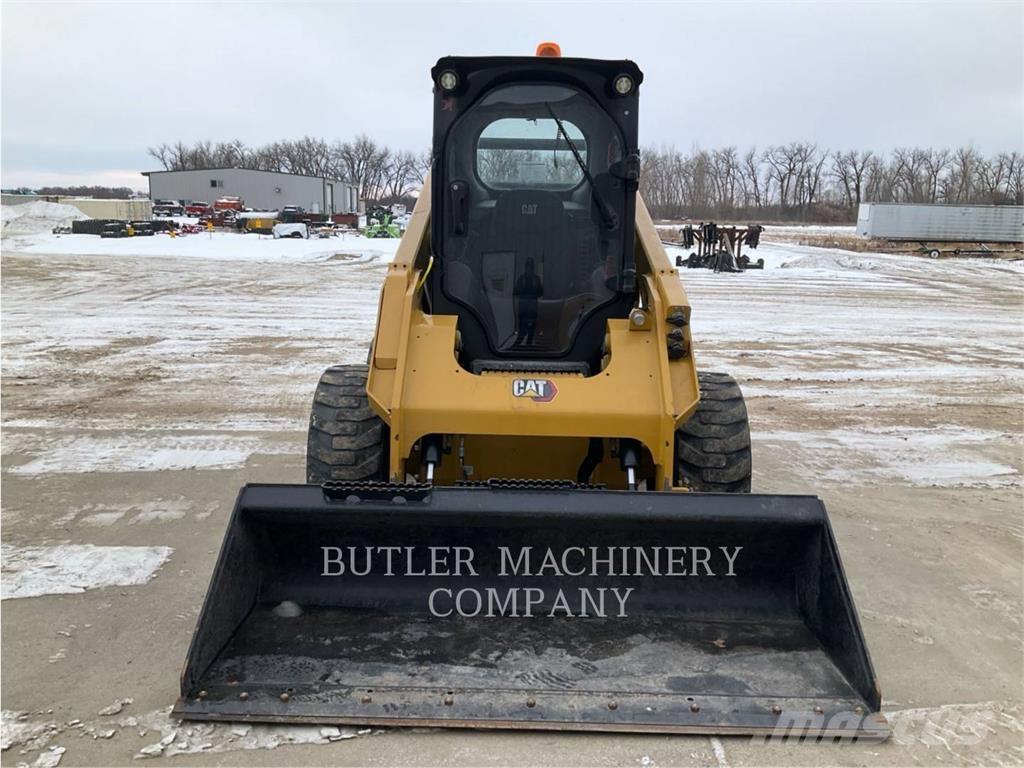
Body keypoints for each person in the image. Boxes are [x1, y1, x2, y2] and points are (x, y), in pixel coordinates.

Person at [514, 257, 544, 346]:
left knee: (530, 333)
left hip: (532, 309)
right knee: (522, 331)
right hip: (523, 309)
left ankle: (525, 347)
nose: (529, 268)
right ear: (525, 267)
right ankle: (517, 347)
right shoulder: (521, 278)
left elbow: (540, 292)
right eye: (528, 265)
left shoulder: (536, 279)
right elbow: (516, 292)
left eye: (530, 266)